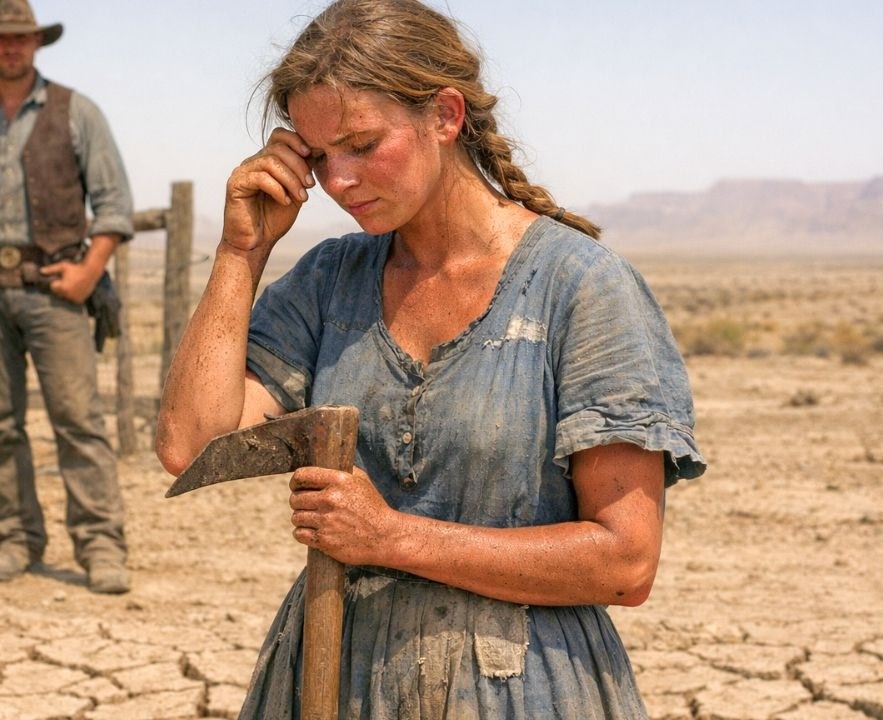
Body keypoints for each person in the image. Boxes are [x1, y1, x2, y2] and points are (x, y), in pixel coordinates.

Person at [155, 0, 706, 715]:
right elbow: (190, 444)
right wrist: (241, 252)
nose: (339, 180)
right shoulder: (329, 283)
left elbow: (626, 562)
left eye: (361, 143)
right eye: (319, 157)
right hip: (338, 680)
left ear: (445, 116)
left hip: (521, 690)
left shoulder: (582, 288)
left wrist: (390, 537)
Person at [0, 0, 135, 594]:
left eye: (21, 37)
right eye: (0, 38)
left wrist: (89, 272)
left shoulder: (76, 111)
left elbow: (113, 206)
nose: (11, 47)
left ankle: (100, 545)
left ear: (38, 42)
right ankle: (15, 537)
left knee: (78, 420)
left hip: (56, 286)